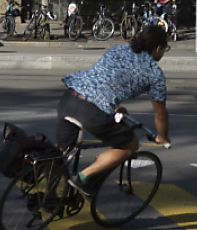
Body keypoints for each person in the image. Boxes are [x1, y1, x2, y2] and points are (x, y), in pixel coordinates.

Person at [56, 23, 171, 196]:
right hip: (92, 111)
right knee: (130, 145)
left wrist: (114, 106)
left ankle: (48, 199)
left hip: (70, 97)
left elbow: (102, 79)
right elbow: (160, 113)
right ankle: (83, 177)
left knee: (58, 154)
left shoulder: (118, 49)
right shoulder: (155, 74)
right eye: (165, 49)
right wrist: (162, 136)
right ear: (159, 48)